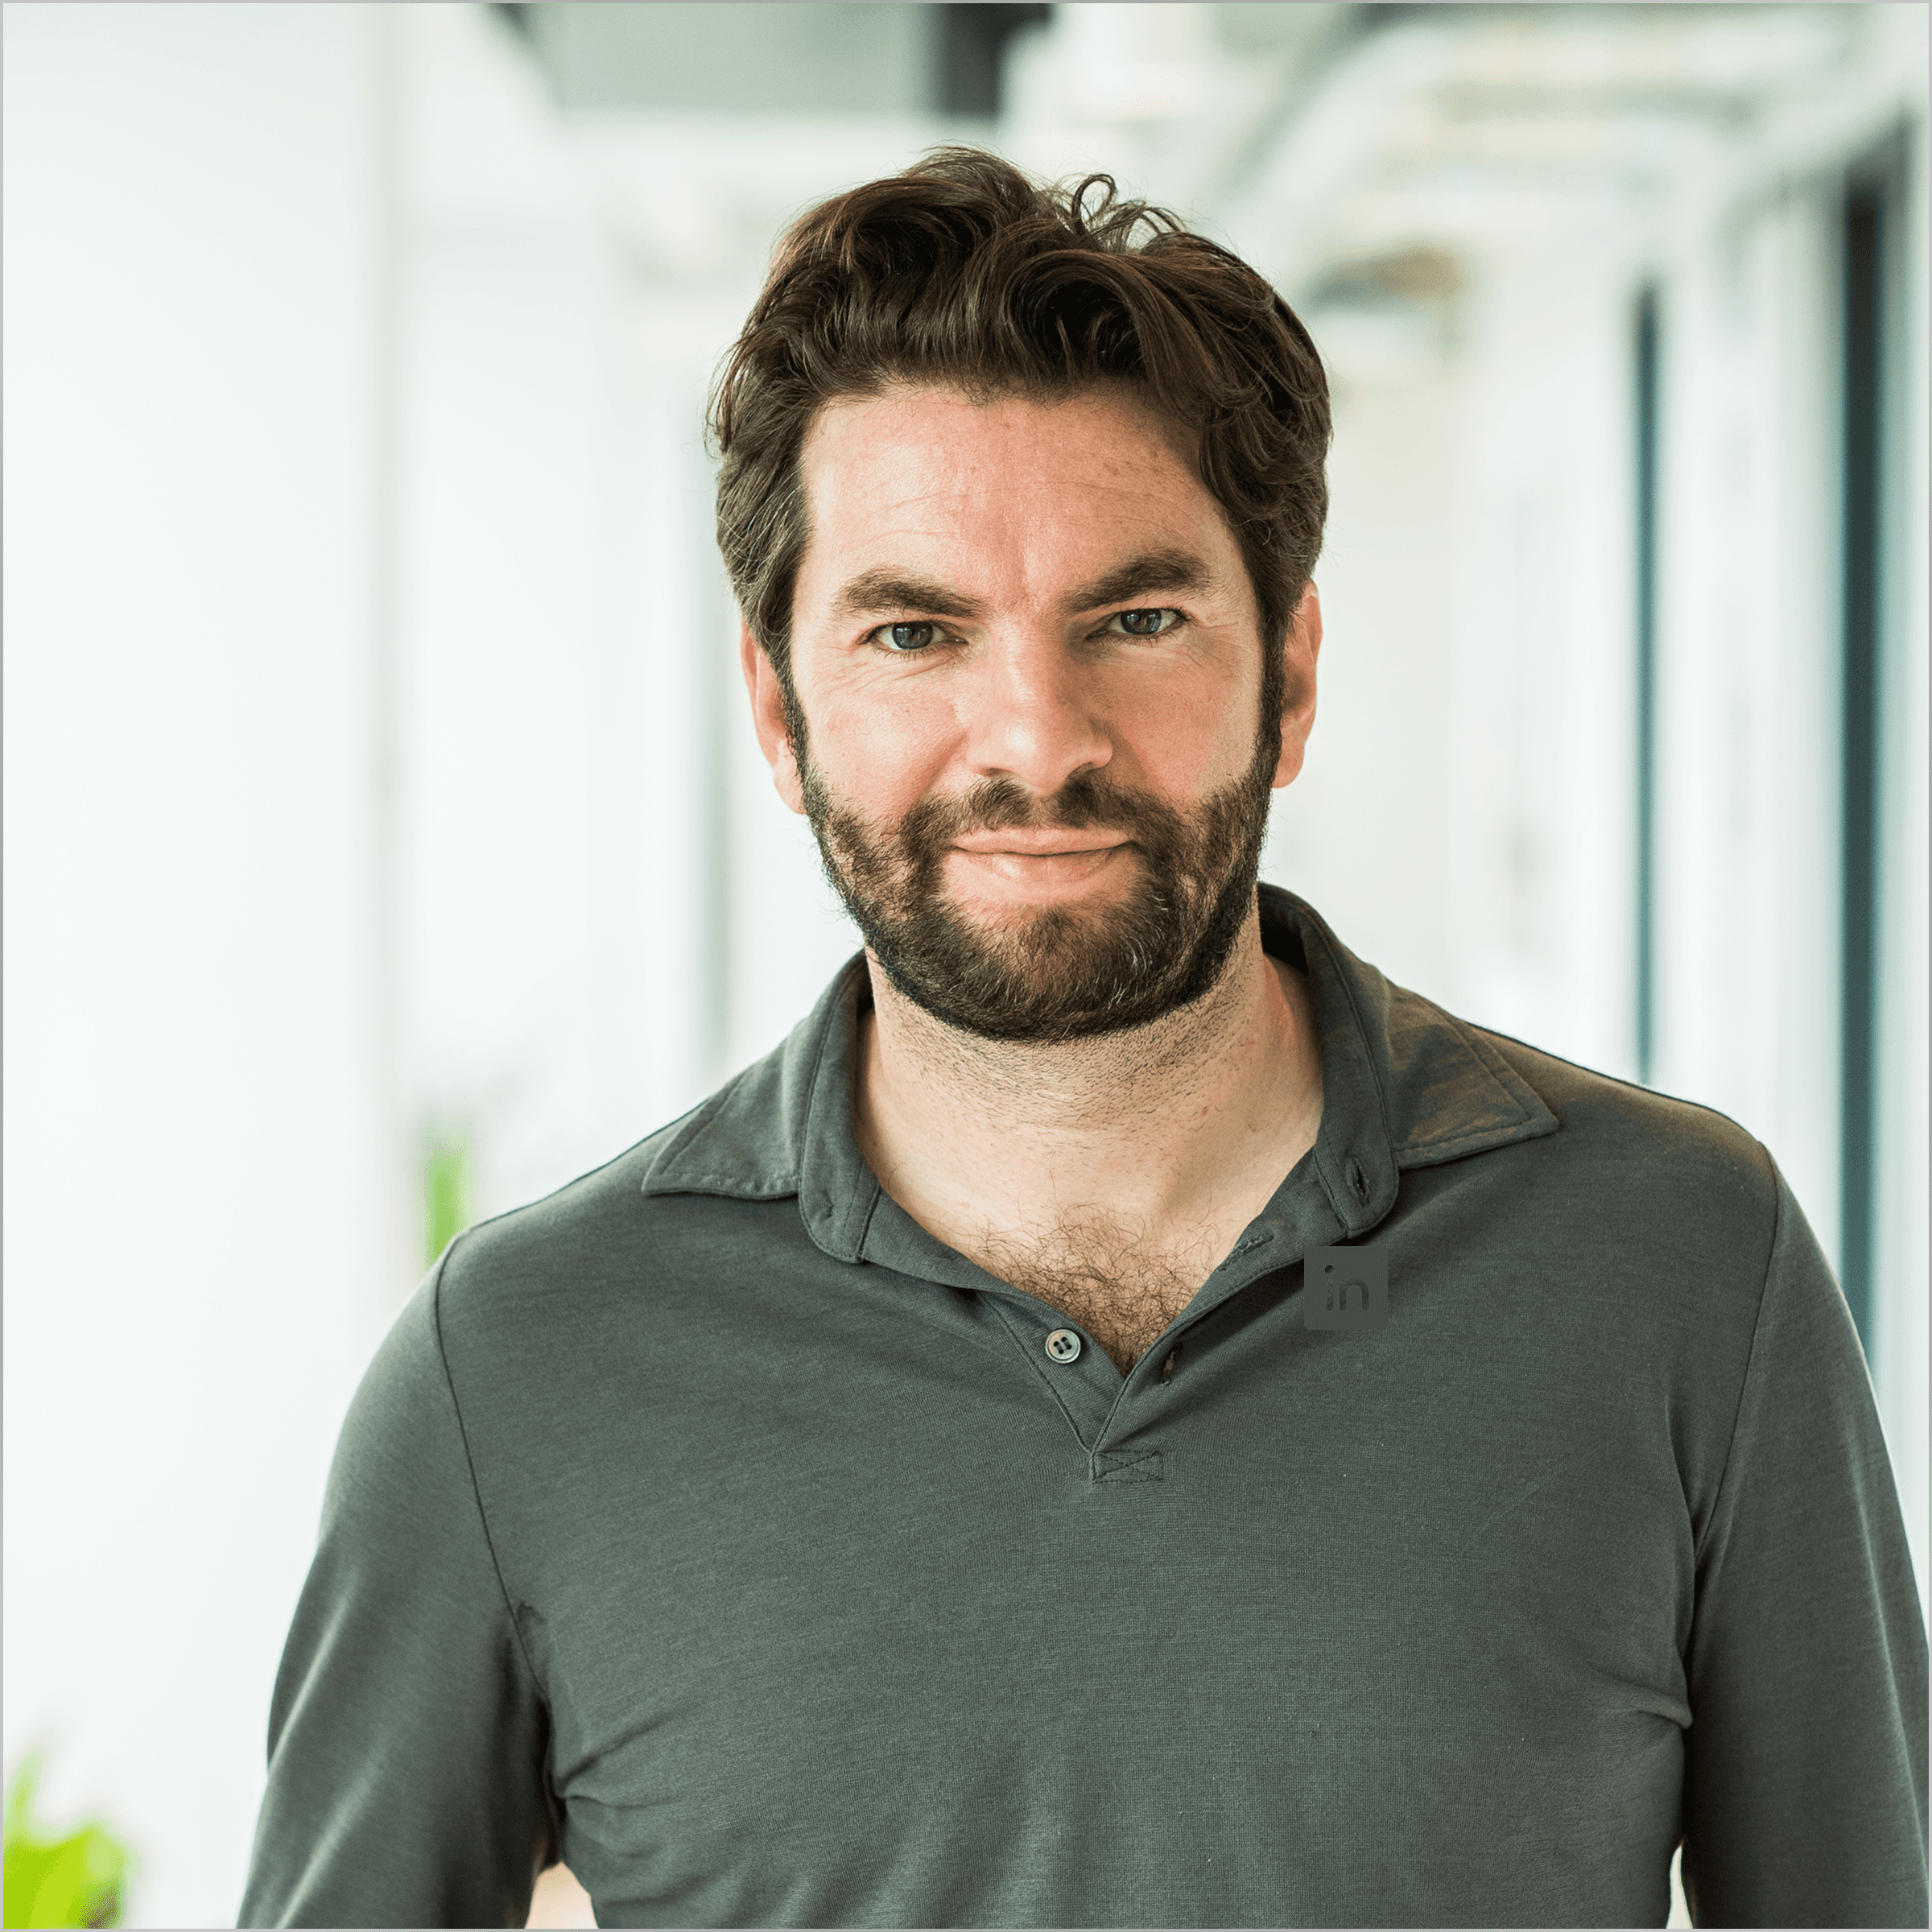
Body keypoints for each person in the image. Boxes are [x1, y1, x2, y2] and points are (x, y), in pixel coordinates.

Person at [239, 149, 1926, 1930]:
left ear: (1290, 677)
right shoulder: (518, 1368)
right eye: (915, 631)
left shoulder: (1680, 1266)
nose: (1036, 739)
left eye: (1136, 620)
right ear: (780, 708)